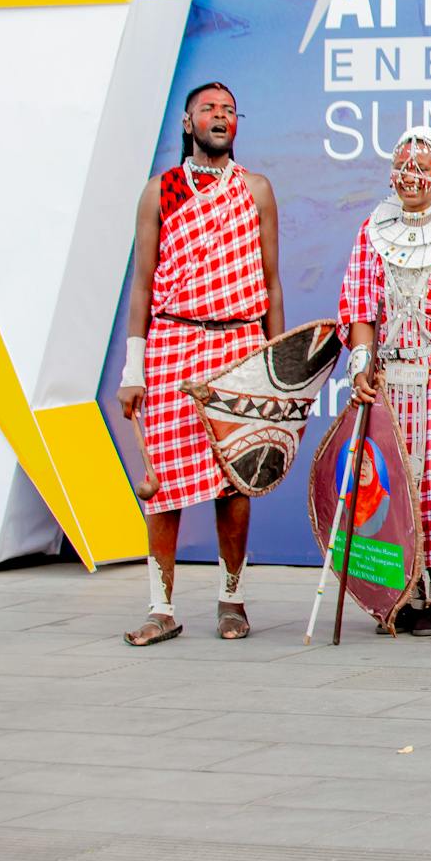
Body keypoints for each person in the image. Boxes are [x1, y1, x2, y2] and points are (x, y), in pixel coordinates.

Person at [118, 82, 284, 646]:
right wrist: (131, 368)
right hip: (170, 343)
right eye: (210, 109)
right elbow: (142, 285)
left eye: (230, 110)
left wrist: (277, 363)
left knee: (233, 479)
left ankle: (231, 600)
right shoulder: (159, 192)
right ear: (189, 122)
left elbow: (271, 281)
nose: (221, 116)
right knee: (162, 482)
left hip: (238, 344)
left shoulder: (256, 190)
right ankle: (160, 606)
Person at [339, 125, 431, 637]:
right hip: (392, 376)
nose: (410, 176)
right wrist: (361, 362)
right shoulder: (373, 230)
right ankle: (404, 592)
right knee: (394, 486)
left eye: (421, 168)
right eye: (402, 167)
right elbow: (360, 304)